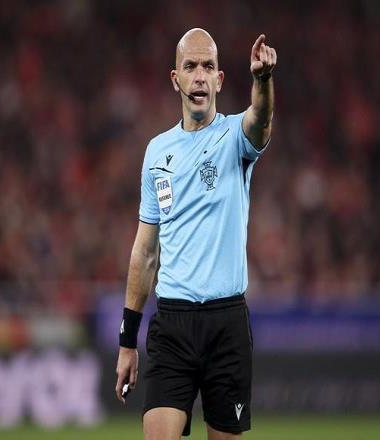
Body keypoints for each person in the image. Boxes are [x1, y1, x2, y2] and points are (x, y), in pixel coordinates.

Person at [115, 28, 276, 440]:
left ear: (219, 80)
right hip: (173, 324)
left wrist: (262, 80)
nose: (199, 75)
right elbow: (145, 253)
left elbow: (261, 119)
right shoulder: (157, 152)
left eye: (208, 67)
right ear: (176, 79)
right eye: (190, 66)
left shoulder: (235, 136)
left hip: (226, 323)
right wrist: (127, 341)